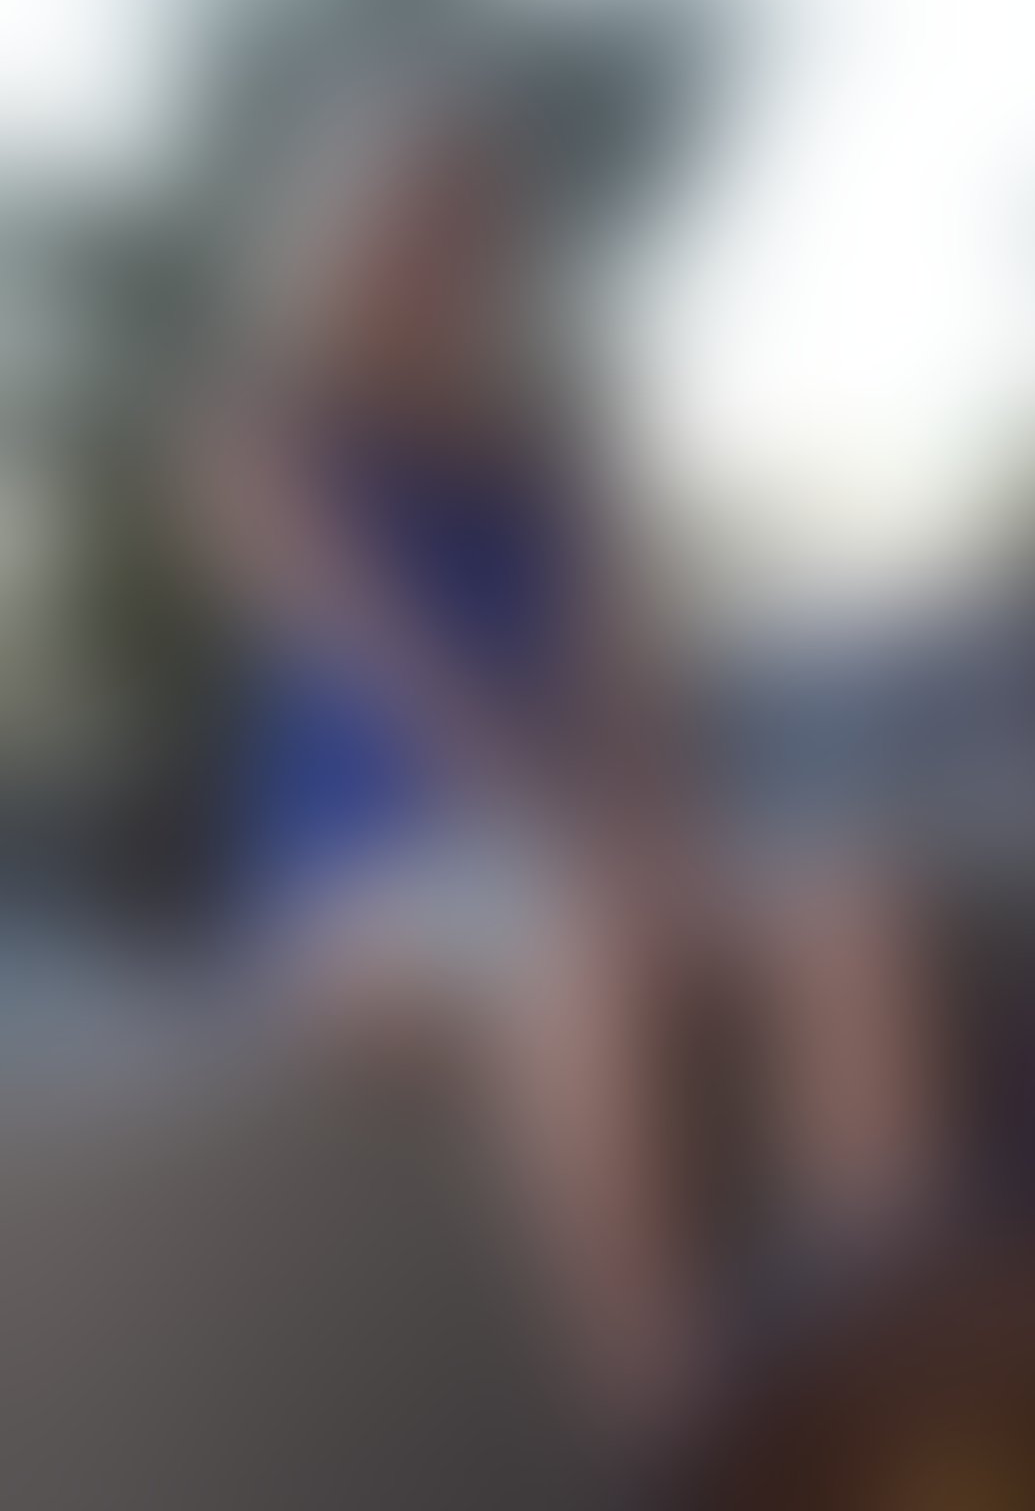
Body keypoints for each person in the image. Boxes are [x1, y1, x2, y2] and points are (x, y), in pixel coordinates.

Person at [186, 76, 710, 1462]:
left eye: (471, 226)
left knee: (850, 921)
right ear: (344, 242)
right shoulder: (271, 437)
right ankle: (678, 1430)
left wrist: (648, 822)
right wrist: (596, 846)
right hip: (363, 899)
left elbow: (624, 690)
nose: (444, 253)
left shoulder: (547, 455)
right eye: (413, 222)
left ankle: (886, 1349)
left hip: (564, 861)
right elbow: (410, 681)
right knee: (586, 958)